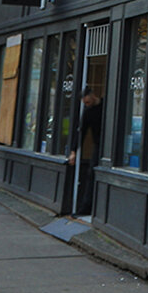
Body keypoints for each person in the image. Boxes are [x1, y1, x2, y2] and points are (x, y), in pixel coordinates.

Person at [65, 86, 103, 217]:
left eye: (87, 102)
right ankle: (86, 207)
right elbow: (81, 132)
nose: (87, 104)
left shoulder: (105, 105)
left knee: (94, 174)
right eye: (85, 103)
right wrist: (74, 151)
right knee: (91, 174)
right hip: (98, 144)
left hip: (108, 145)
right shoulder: (88, 112)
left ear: (93, 95)